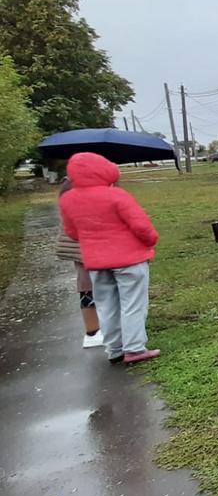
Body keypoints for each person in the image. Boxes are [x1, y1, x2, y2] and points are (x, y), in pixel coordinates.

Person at [58, 152, 160, 365]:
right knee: (132, 303)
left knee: (106, 304)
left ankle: (114, 348)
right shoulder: (117, 195)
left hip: (96, 262)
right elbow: (141, 225)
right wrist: (151, 241)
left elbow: (72, 232)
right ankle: (134, 348)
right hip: (130, 259)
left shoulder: (68, 199)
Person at [55, 176, 102, 349]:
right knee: (90, 286)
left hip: (80, 244)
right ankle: (93, 331)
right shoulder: (78, 185)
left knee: (87, 285)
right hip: (86, 243)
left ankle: (93, 331)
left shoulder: (68, 184)